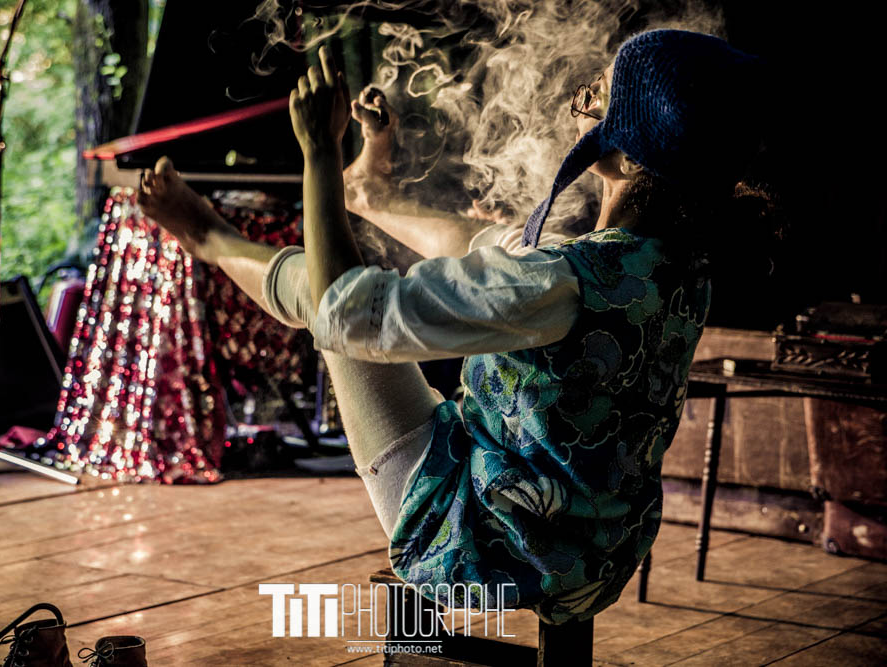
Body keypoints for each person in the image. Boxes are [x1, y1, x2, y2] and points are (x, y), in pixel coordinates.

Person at [138, 29, 767, 624]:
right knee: (427, 275)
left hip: (490, 550)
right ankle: (345, 205)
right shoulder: (674, 266)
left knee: (321, 292)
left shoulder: (560, 281)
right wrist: (373, 197)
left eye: (601, 94)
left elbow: (347, 313)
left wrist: (321, 157)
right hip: (601, 553)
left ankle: (208, 237)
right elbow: (482, 248)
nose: (583, 98)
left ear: (629, 156)